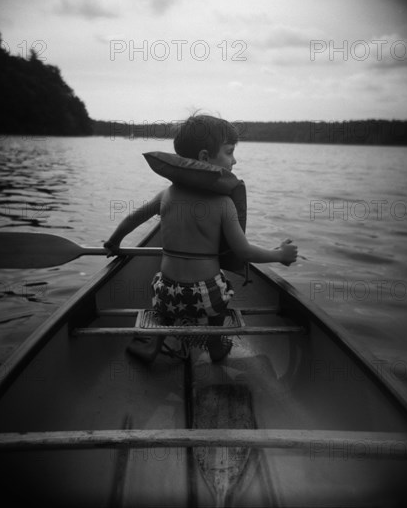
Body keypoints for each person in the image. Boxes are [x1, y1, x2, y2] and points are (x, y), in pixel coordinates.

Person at [103, 114, 297, 363]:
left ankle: (155, 341)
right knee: (222, 291)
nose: (234, 160)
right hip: (206, 298)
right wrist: (280, 255)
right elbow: (245, 252)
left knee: (160, 290)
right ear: (205, 158)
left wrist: (114, 242)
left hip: (167, 295)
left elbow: (132, 219)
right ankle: (215, 344)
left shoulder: (167, 195)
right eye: (229, 152)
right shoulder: (224, 203)